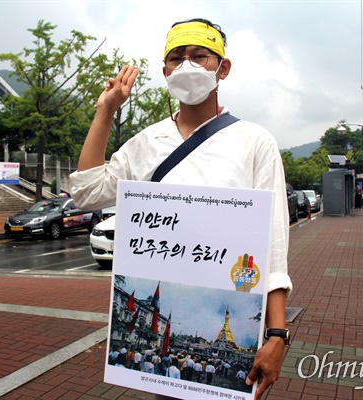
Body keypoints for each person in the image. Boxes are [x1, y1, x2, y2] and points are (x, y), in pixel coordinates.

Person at [69, 18, 292, 400]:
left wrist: (276, 334)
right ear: (165, 71)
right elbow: (87, 193)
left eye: (199, 56)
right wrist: (106, 109)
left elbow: (272, 244)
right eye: (176, 57)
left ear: (223, 68)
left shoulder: (254, 141)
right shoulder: (147, 141)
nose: (186, 65)